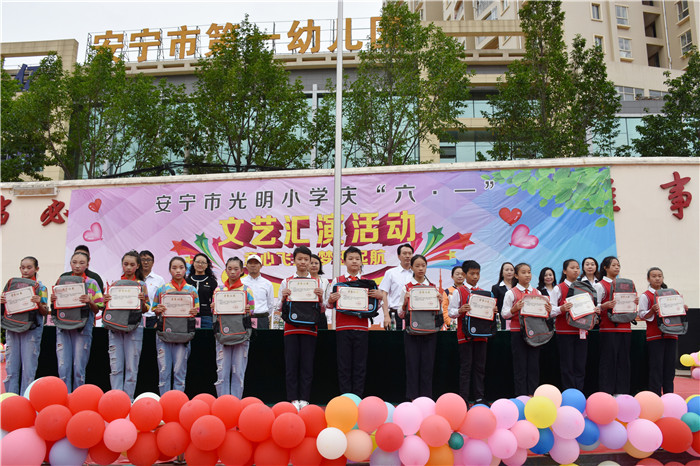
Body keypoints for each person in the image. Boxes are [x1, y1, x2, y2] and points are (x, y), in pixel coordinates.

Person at [326, 246, 383, 397]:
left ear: (361, 262)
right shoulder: (337, 281)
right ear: (344, 261)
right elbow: (328, 304)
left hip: (361, 328)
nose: (354, 261)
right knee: (344, 365)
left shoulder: (368, 283)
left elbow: (375, 306)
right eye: (350, 258)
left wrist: (379, 297)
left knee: (360, 365)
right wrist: (331, 299)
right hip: (343, 328)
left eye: (357, 259)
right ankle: (345, 397)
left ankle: (357, 397)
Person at [278, 246, 325, 409]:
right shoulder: (287, 281)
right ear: (294, 260)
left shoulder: (317, 282)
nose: (303, 262)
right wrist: (283, 297)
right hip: (291, 328)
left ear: (311, 261)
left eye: (306, 259)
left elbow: (323, 309)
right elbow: (278, 308)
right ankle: (292, 399)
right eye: (300, 259)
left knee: (307, 365)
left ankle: (304, 399)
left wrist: (320, 298)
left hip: (310, 329)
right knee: (291, 365)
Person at [52, 251, 104, 392]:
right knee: (63, 366)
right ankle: (65, 396)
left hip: (83, 327)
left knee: (78, 367)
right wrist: (53, 300)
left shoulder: (91, 283)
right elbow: (55, 305)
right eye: (74, 262)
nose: (77, 266)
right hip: (63, 326)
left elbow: (97, 309)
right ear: (70, 263)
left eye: (81, 263)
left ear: (87, 264)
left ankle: (77, 397)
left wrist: (90, 301)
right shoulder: (62, 281)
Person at [103, 251, 149, 399]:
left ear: (138, 266)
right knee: (115, 366)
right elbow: (106, 308)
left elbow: (147, 308)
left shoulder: (141, 285)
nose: (128, 267)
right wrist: (105, 301)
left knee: (131, 367)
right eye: (126, 264)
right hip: (115, 327)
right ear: (122, 265)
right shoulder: (114, 284)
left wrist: (142, 302)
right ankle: (116, 399)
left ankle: (128, 400)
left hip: (134, 327)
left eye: (132, 264)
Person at [448, 260, 494, 405]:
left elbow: (488, 313)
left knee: (480, 367)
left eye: (477, 274)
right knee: (466, 368)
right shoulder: (458, 291)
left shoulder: (484, 293)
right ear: (465, 274)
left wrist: (492, 310)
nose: (475, 277)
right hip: (465, 335)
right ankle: (464, 399)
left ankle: (479, 397)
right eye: (472, 273)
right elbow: (450, 312)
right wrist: (460, 310)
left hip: (482, 334)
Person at [501, 262, 551, 396]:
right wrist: (514, 309)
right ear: (516, 276)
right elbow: (504, 314)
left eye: (529, 272)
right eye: (523, 272)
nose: (527, 275)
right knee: (520, 366)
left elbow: (542, 314)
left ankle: (533, 395)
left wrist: (548, 310)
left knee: (534, 366)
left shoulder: (537, 292)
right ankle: (521, 397)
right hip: (518, 332)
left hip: (535, 333)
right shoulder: (511, 293)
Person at [1, 257, 49, 395]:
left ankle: (25, 400)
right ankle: (11, 398)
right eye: (23, 267)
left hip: (31, 330)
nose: (25, 270)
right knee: (11, 368)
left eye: (29, 267)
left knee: (28, 370)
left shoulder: (41, 288)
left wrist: (39, 303)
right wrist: (2, 301)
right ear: (19, 268)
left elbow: (45, 311)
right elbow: (5, 308)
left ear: (36, 269)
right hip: (12, 328)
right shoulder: (12, 285)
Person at [152, 256, 199, 395]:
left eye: (181, 267)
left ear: (185, 270)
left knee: (180, 372)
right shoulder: (162, 289)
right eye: (174, 268)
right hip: (164, 334)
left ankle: (178, 402)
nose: (178, 271)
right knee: (164, 371)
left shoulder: (192, 290)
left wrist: (194, 311)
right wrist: (158, 309)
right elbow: (154, 308)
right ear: (169, 270)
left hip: (183, 334)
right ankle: (164, 402)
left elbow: (196, 310)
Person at [638, 267, 687, 395]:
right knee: (656, 368)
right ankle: (655, 396)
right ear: (648, 279)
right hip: (655, 336)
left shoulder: (671, 294)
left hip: (671, 334)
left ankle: (669, 395)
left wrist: (682, 308)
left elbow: (677, 313)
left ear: (663, 278)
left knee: (670, 368)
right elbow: (641, 315)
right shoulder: (645, 296)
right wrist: (652, 311)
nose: (657, 278)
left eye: (660, 276)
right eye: (654, 276)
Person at [399, 254, 442, 400]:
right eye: (417, 266)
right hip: (412, 332)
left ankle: (426, 399)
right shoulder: (406, 288)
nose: (420, 268)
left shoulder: (433, 288)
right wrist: (405, 303)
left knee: (427, 367)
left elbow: (439, 314)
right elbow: (400, 314)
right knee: (412, 366)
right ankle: (412, 398)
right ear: (411, 267)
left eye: (423, 265)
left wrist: (439, 302)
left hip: (430, 332)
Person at [548, 259, 594, 391]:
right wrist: (562, 309)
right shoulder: (558, 288)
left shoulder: (584, 288)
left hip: (581, 331)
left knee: (580, 365)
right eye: (572, 268)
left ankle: (579, 392)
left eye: (577, 268)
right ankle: (569, 393)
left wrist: (594, 310)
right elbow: (550, 311)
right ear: (564, 271)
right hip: (565, 332)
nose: (576, 270)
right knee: (567, 365)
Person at [594, 256, 637, 395]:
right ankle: (606, 393)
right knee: (608, 362)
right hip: (608, 328)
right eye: (613, 265)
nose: (617, 267)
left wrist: (634, 302)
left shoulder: (625, 285)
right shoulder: (600, 285)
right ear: (605, 267)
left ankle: (622, 393)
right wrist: (604, 306)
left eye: (618, 265)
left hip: (625, 327)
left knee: (624, 362)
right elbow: (593, 306)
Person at [213, 257, 254, 397]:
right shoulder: (218, 290)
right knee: (222, 372)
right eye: (229, 269)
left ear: (241, 271)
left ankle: (236, 403)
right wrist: (214, 307)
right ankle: (223, 403)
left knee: (238, 372)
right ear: (225, 270)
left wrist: (249, 309)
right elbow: (214, 312)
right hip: (222, 335)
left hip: (241, 335)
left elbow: (252, 311)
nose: (232, 272)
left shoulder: (247, 290)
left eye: (236, 269)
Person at [379, 243, 414, 331]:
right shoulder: (391, 273)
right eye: (404, 253)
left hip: (413, 315)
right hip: (395, 315)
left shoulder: (416, 274)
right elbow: (383, 294)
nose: (407, 256)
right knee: (395, 339)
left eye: (410, 253)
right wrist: (386, 315)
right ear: (398, 256)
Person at [242, 254, 275, 330]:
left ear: (261, 266)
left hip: (261, 319)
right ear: (246, 266)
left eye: (256, 263)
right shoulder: (241, 282)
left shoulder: (267, 283)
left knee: (261, 337)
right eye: (250, 263)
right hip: (245, 317)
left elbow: (270, 304)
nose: (253, 265)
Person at [186, 253, 218, 329]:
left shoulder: (212, 282)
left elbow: (215, 300)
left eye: (203, 262)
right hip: (188, 315)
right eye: (197, 262)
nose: (200, 264)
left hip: (206, 316)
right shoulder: (187, 281)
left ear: (207, 265)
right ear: (193, 263)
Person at [140, 250, 166, 328]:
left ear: (153, 262)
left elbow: (163, 301)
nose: (145, 262)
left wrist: (159, 322)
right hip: (136, 318)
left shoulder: (159, 280)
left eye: (148, 260)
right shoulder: (135, 279)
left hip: (153, 319)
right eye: (143, 260)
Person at [309, 254, 330, 329]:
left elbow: (327, 302)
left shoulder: (325, 281)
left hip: (320, 315)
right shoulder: (302, 280)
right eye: (311, 263)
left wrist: (321, 301)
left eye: (316, 263)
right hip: (305, 314)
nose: (314, 265)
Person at [491, 262, 514, 330]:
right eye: (507, 270)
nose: (509, 272)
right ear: (502, 273)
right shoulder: (496, 288)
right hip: (503, 320)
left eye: (511, 270)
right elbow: (494, 305)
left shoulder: (518, 287)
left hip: (517, 319)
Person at [441, 266, 465, 330]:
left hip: (465, 325)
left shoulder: (468, 291)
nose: (460, 276)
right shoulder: (447, 291)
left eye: (462, 274)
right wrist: (451, 324)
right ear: (452, 276)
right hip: (452, 327)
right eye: (457, 274)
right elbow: (445, 310)